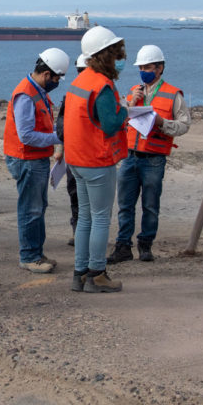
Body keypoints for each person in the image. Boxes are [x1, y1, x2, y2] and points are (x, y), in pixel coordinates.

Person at [107, 45, 191, 264]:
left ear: (160, 68)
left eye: (148, 66)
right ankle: (123, 246)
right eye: (141, 67)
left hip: (154, 158)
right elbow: (119, 119)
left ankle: (146, 246)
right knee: (125, 204)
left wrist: (163, 123)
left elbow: (184, 125)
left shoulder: (173, 94)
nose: (144, 70)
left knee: (150, 206)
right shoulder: (134, 91)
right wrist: (130, 103)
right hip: (130, 156)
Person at [65, 26, 129, 293]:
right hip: (96, 161)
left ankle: (80, 273)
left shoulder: (80, 81)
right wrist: (125, 110)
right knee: (101, 218)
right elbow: (111, 124)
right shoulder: (102, 85)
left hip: (76, 160)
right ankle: (97, 274)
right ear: (106, 55)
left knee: (86, 219)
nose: (118, 59)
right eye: (115, 54)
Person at [4, 47, 70, 274]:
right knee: (31, 209)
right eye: (57, 78)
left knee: (38, 207)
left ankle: (36, 252)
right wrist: (59, 137)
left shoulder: (38, 91)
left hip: (35, 158)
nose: (57, 82)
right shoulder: (26, 94)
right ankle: (29, 256)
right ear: (46, 74)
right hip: (27, 159)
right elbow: (27, 135)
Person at [55, 53, 88, 246]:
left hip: (89, 158)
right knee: (76, 196)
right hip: (75, 156)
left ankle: (86, 234)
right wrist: (60, 149)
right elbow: (63, 127)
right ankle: (78, 232)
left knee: (88, 200)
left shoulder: (100, 93)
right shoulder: (71, 96)